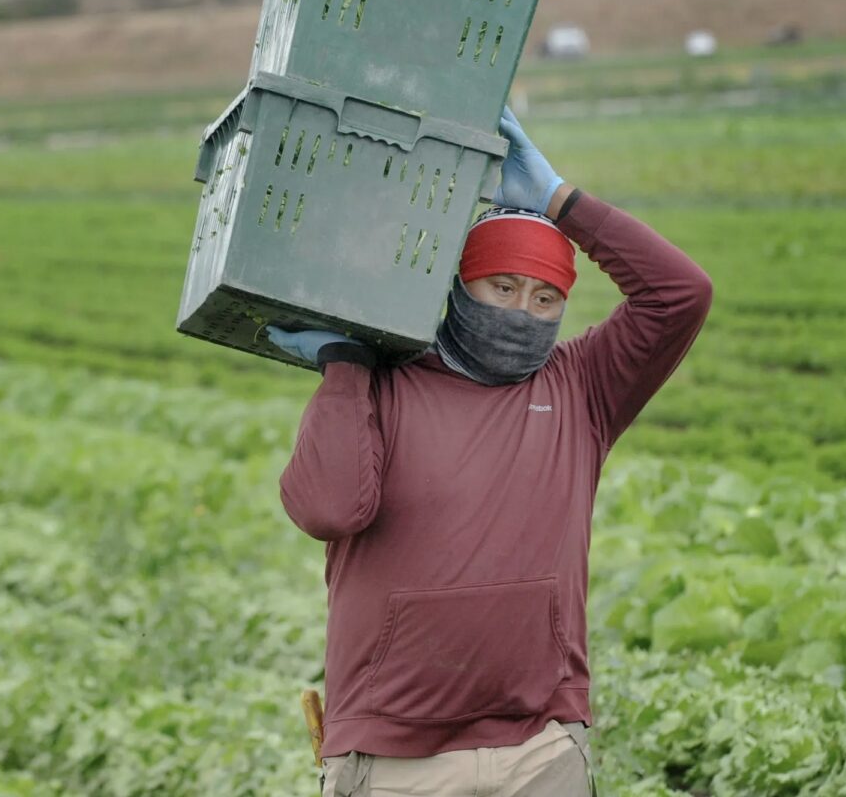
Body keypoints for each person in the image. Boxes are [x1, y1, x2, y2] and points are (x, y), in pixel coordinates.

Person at [270, 109, 713, 797]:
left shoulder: (580, 389)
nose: (521, 312)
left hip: (540, 753)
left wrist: (563, 203)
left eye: (545, 298)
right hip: (393, 766)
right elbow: (328, 508)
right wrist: (344, 363)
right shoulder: (387, 385)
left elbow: (680, 295)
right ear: (459, 286)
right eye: (501, 288)